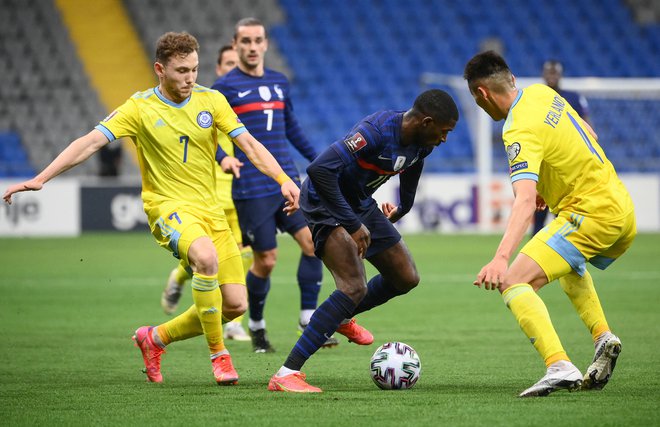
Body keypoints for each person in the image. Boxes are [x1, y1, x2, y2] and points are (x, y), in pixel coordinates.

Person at [3, 32, 300, 385]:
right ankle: (219, 356)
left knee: (235, 304)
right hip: (167, 208)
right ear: (160, 69)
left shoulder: (212, 100)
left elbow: (248, 143)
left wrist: (282, 178)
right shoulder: (139, 108)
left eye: (194, 69)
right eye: (181, 71)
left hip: (211, 211)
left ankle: (155, 338)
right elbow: (90, 142)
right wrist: (41, 178)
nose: (190, 78)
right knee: (205, 258)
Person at [464, 51, 636, 397]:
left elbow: (524, 203)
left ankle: (559, 365)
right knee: (567, 263)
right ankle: (603, 337)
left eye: (475, 99)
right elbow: (589, 134)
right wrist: (549, 186)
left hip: (588, 214)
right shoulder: (543, 94)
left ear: (482, 94)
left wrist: (500, 258)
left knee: (513, 281)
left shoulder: (515, 128)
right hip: (620, 208)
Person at [268, 89, 459, 392]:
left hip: (359, 202)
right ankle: (286, 373)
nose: (445, 138)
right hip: (323, 202)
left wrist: (404, 206)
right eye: (444, 131)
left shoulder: (423, 143)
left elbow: (414, 163)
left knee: (405, 277)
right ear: (426, 122)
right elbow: (319, 170)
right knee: (354, 286)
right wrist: (353, 224)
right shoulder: (375, 132)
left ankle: (342, 315)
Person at [212, 17, 336, 353]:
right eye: (245, 42)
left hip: (287, 181)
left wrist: (323, 160)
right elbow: (206, 134)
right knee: (266, 260)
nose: (252, 47)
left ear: (265, 44)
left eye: (257, 41)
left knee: (312, 243)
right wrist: (224, 156)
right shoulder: (223, 88)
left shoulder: (279, 82)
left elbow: (291, 127)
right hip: (251, 186)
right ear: (235, 45)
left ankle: (309, 318)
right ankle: (256, 325)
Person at [160, 44, 252, 342]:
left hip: (237, 193)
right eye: (227, 63)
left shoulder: (240, 100)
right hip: (204, 194)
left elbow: (251, 142)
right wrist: (223, 157)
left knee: (245, 255)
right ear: (219, 68)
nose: (232, 68)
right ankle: (179, 276)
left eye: (235, 63)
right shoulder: (203, 99)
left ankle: (234, 321)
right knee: (204, 258)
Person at [532, 59, 591, 235]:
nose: (551, 76)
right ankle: (534, 255)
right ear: (543, 74)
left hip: (567, 169)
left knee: (564, 220)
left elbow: (588, 129)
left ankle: (560, 256)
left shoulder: (573, 98)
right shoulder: (535, 99)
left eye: (554, 72)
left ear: (560, 75)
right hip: (544, 168)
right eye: (548, 72)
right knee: (538, 219)